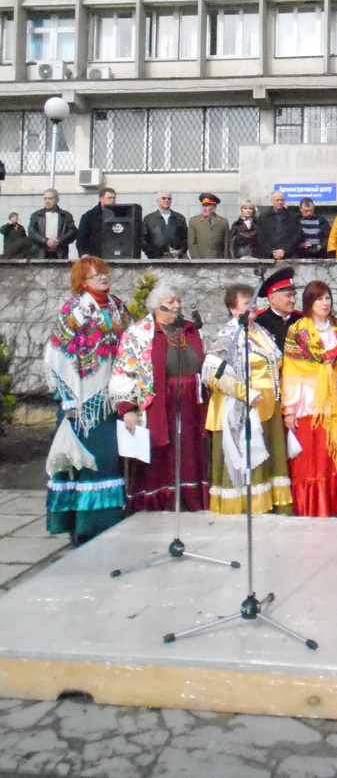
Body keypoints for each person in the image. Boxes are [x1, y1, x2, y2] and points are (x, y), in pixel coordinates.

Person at [44, 257, 129, 543]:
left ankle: (107, 524)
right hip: (81, 404)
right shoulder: (73, 310)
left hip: (110, 398)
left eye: (105, 274)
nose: (103, 279)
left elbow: (129, 344)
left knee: (108, 460)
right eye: (96, 276)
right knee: (83, 463)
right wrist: (68, 400)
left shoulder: (117, 307)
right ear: (83, 282)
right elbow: (59, 356)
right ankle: (81, 528)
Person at [110, 281, 208, 512]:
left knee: (189, 453)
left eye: (178, 302)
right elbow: (124, 370)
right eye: (170, 303)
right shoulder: (138, 335)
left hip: (190, 402)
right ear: (156, 308)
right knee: (161, 455)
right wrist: (128, 408)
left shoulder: (190, 330)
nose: (176, 306)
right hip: (158, 403)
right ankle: (158, 503)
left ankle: (189, 501)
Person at [203, 283, 292, 515]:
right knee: (247, 461)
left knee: (269, 461)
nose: (252, 307)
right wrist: (245, 392)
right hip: (242, 408)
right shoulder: (228, 335)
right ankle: (243, 507)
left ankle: (270, 505)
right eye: (246, 303)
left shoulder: (262, 332)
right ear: (234, 310)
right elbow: (213, 375)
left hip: (268, 407)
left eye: (254, 302)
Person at [282, 280, 337, 516]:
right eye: (319, 298)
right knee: (312, 458)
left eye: (328, 298)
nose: (325, 303)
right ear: (309, 303)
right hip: (308, 401)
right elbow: (291, 371)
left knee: (336, 456)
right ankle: (312, 506)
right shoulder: (298, 331)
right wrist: (289, 409)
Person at [255, 267, 303, 350]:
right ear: (271, 298)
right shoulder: (258, 321)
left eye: (294, 295)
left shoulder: (301, 320)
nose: (293, 300)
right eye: (288, 296)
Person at [27, 189, 77, 260]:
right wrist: (45, 241)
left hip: (60, 253)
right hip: (40, 253)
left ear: (57, 200)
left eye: (50, 198)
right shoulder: (36, 215)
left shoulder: (65, 216)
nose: (47, 201)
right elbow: (32, 232)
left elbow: (72, 231)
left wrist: (58, 241)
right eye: (45, 199)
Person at [256, 191, 303, 261]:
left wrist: (284, 250)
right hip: (268, 256)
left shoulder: (293, 217)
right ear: (271, 201)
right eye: (277, 200)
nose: (280, 202)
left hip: (289, 256)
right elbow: (261, 237)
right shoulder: (264, 217)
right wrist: (272, 251)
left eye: (282, 200)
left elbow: (297, 236)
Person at [142, 191, 188, 259]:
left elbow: (186, 238)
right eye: (164, 198)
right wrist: (152, 253)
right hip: (155, 259)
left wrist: (180, 251)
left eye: (169, 199)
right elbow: (143, 239)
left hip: (176, 259)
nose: (166, 200)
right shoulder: (149, 219)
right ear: (157, 201)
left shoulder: (179, 218)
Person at [75, 186, 116, 257]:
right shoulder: (89, 216)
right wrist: (83, 253)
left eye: (114, 198)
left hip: (113, 253)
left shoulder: (119, 215)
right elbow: (82, 236)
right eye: (109, 198)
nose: (112, 200)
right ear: (101, 199)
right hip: (95, 254)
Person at [187, 193, 230, 259]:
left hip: (218, 261)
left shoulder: (223, 222)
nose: (204, 208)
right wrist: (197, 260)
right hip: (199, 261)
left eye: (207, 206)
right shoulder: (194, 221)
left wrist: (225, 261)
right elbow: (191, 243)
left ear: (214, 208)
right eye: (203, 206)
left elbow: (226, 245)